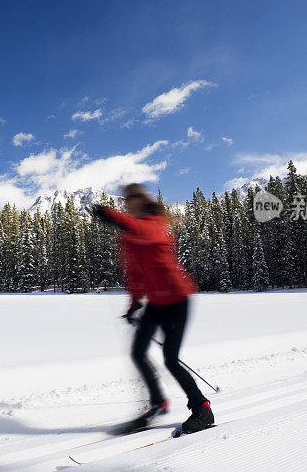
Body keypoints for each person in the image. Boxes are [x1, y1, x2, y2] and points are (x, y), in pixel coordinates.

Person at [90, 183, 214, 435]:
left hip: (177, 299)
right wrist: (134, 303)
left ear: (142, 200)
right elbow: (135, 274)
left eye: (132, 198)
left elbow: (144, 232)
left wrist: (113, 217)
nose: (127, 202)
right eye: (125, 199)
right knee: (138, 353)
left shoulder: (154, 224)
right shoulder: (127, 236)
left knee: (170, 359)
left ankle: (202, 408)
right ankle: (158, 402)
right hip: (155, 303)